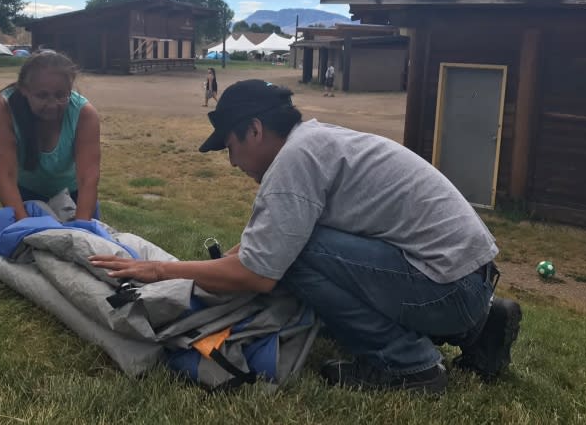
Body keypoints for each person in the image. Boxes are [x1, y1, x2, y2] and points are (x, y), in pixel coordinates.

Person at [90, 79, 522, 393]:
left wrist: (157, 269)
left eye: (231, 148)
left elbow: (257, 272)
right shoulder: (313, 144)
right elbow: (259, 248)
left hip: (446, 292)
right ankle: (480, 329)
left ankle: (409, 368)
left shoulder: (295, 163)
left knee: (295, 260)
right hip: (466, 283)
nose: (232, 163)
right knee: (294, 252)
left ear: (255, 130)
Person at [0, 52, 101, 221]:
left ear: (70, 90)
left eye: (61, 95)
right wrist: (24, 225)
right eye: (42, 95)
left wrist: (82, 226)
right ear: (24, 90)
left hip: (75, 196)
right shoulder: (3, 108)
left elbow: (88, 178)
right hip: (25, 195)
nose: (52, 104)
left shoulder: (85, 114)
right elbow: (5, 175)